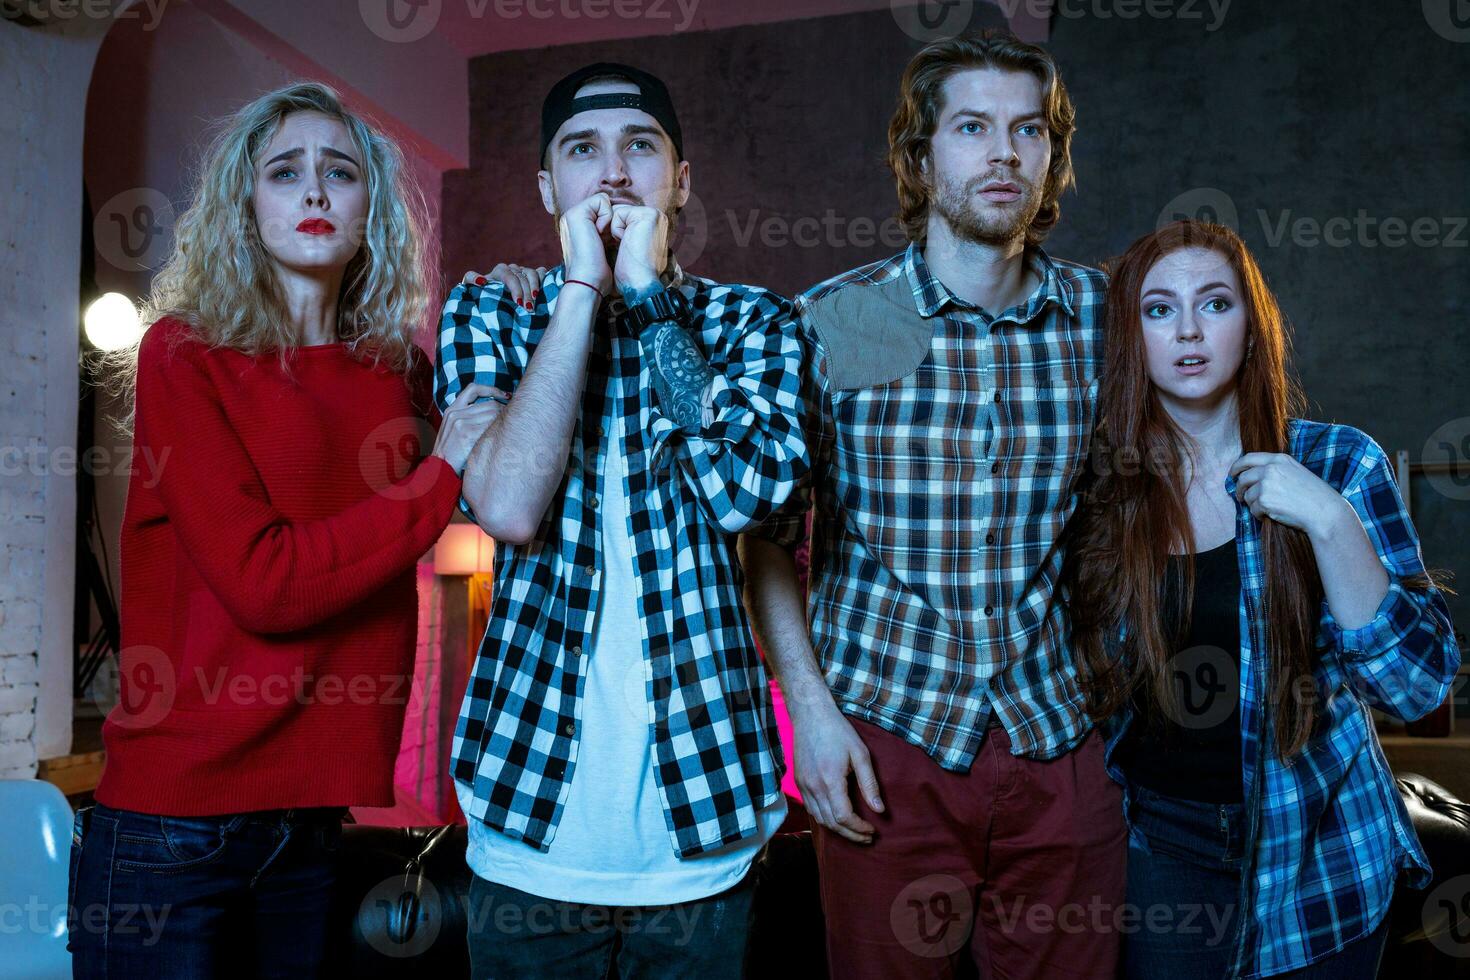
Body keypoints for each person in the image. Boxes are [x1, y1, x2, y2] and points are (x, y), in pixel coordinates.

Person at [69, 81, 500, 978]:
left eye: (339, 173)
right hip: (169, 834)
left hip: (312, 828)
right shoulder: (186, 353)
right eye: (285, 172)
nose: (313, 192)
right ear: (246, 203)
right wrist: (436, 477)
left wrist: (530, 296)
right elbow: (266, 582)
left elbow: (506, 473)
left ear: (368, 210)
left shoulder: (399, 376)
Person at [741, 30, 1123, 979]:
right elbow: (767, 542)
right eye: (972, 128)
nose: (1004, 153)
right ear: (920, 155)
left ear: (1052, 156)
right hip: (887, 738)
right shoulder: (849, 321)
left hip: (1059, 737)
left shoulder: (1101, 321)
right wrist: (814, 720)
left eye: (1028, 131)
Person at [436, 63, 807, 978]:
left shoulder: (754, 321)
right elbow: (511, 508)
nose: (611, 173)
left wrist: (645, 295)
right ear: (546, 187)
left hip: (705, 824)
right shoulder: (493, 308)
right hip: (525, 822)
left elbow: (749, 496)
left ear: (680, 181)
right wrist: (579, 293)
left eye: (640, 147)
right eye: (582, 150)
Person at [1062, 219, 1461, 979]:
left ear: (1251, 327)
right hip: (1163, 855)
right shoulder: (1100, 491)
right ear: (1130, 336)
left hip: (1322, 848)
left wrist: (1328, 520)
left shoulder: (1339, 463)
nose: (1187, 330)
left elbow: (1416, 689)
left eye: (1214, 304)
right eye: (1157, 309)